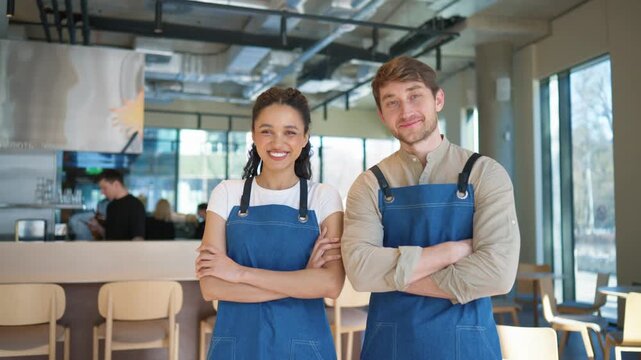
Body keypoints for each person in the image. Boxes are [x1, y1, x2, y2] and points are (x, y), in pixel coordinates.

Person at [341, 56, 520, 359]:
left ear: (438, 99)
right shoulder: (369, 185)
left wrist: (395, 278)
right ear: (382, 115)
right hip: (390, 346)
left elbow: (497, 274)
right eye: (392, 102)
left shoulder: (485, 173)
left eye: (414, 95)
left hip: (467, 345)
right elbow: (360, 272)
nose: (406, 110)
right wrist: (450, 253)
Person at [196, 87, 344, 359]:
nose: (278, 143)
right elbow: (211, 287)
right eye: (267, 131)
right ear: (253, 135)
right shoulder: (227, 193)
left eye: (290, 132)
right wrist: (301, 282)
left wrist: (239, 273)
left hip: (304, 346)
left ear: (305, 138)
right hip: (236, 345)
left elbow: (331, 285)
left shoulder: (323, 197)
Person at [94, 169, 146, 240]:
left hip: (126, 251)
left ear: (116, 184)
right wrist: (98, 227)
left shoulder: (135, 205)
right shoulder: (110, 206)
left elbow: (138, 238)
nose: (102, 192)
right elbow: (110, 236)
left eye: (104, 188)